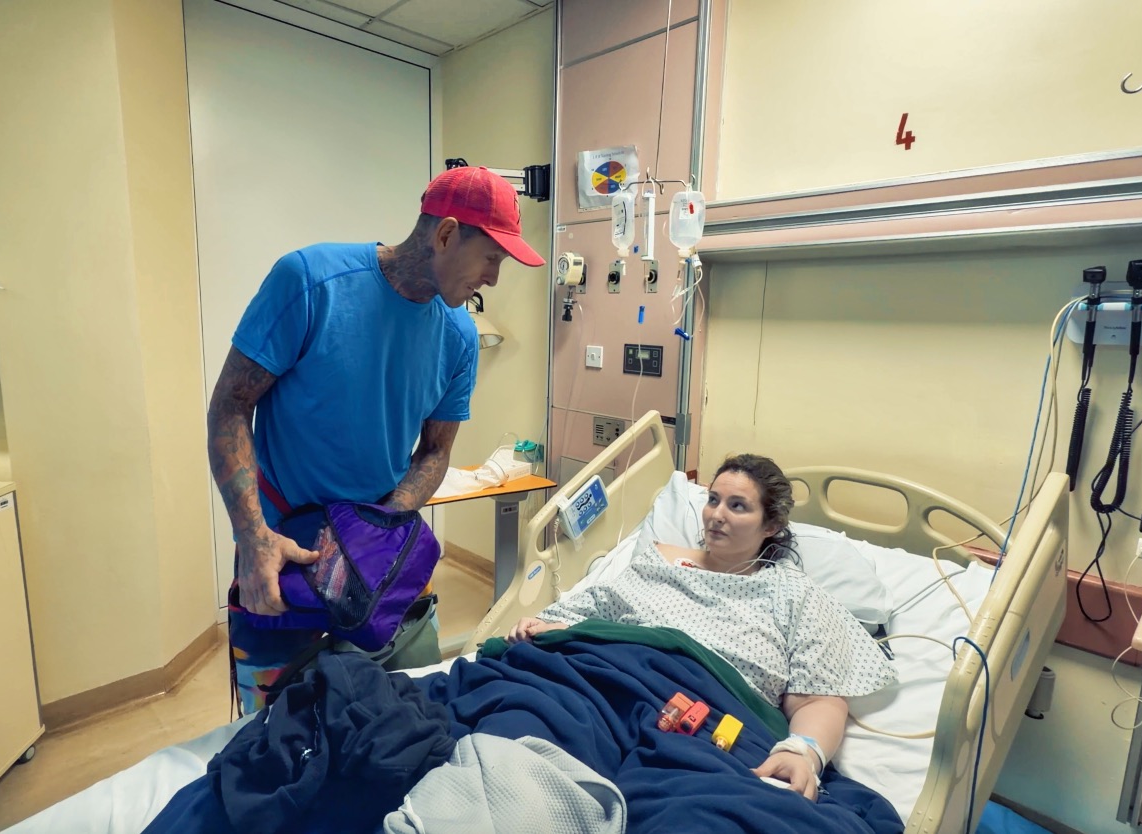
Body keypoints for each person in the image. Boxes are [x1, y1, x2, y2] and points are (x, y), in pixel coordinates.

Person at [209, 166, 545, 714]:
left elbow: (435, 451)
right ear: (445, 234)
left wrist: (379, 531)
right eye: (491, 258)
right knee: (271, 735)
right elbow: (229, 407)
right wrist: (253, 538)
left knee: (411, 716)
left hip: (381, 554)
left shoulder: (459, 336)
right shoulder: (311, 283)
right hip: (284, 552)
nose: (493, 279)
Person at [507, 454, 897, 800]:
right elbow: (598, 608)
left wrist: (803, 752)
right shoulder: (659, 560)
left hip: (706, 723)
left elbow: (816, 699)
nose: (716, 515)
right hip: (602, 685)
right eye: (713, 500)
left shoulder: (792, 593)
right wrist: (548, 625)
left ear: (771, 524)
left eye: (737, 505)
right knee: (520, 731)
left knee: (697, 808)